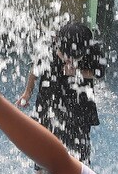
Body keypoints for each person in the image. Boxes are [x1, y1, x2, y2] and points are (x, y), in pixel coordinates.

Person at [16, 21, 104, 165]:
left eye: (75, 58)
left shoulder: (93, 49)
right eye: (65, 56)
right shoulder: (49, 48)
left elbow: (99, 73)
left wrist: (77, 72)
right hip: (49, 100)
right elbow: (35, 71)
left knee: (80, 151)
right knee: (43, 150)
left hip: (80, 104)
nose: (69, 61)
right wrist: (27, 93)